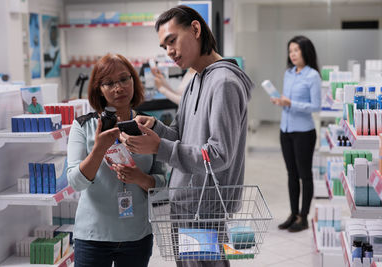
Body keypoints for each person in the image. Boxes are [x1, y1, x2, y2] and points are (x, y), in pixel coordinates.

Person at [119, 5, 253, 267]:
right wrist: (156, 127)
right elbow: (181, 135)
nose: (169, 51)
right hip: (186, 203)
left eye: (172, 41)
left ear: (195, 29)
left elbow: (219, 155)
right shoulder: (195, 80)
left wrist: (160, 147)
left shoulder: (224, 82)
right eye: (164, 46)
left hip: (205, 208)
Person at [66, 53, 166, 267]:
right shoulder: (83, 126)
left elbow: (163, 182)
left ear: (133, 80)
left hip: (136, 236)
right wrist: (98, 149)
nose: (118, 88)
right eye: (109, 83)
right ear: (98, 90)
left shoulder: (147, 125)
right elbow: (75, 182)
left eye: (124, 79)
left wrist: (141, 179)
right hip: (92, 237)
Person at [271, 35, 321, 232]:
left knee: (304, 175)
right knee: (291, 174)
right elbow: (286, 100)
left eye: (296, 50)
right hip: (286, 131)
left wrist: (291, 103)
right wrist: (280, 101)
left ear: (305, 52)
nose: (292, 54)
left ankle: (304, 216)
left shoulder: (312, 76)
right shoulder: (289, 73)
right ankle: (293, 213)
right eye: (290, 51)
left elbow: (316, 106)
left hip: (304, 133)